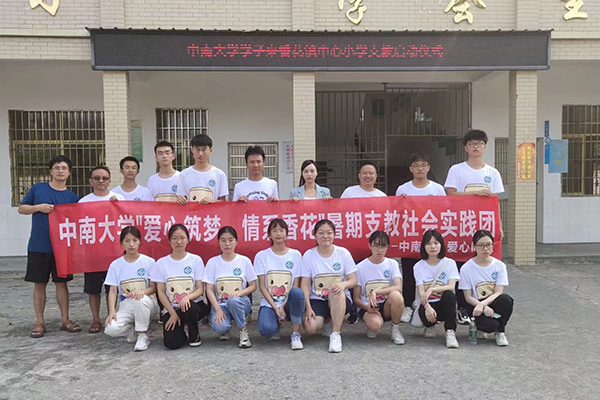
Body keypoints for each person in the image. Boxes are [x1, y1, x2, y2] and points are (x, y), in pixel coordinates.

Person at [444, 129, 505, 325]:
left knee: (481, 264)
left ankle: (483, 306)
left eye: (479, 143)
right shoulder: (456, 170)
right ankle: (462, 307)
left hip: (484, 226)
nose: (475, 147)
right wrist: (476, 193)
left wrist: (499, 225)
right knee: (460, 264)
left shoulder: (492, 173)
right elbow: (451, 195)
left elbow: (495, 203)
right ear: (466, 148)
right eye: (471, 144)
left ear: (485, 147)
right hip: (461, 224)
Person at [18, 155, 81, 338]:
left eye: (64, 168)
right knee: (39, 284)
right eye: (57, 168)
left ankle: (65, 320)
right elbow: (22, 208)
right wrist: (38, 208)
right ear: (51, 171)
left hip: (62, 248)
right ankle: (39, 322)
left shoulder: (72, 198)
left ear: (69, 173)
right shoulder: (38, 189)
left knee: (62, 284)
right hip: (39, 245)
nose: (60, 171)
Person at [396, 153, 446, 323]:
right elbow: (397, 214)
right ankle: (408, 305)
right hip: (410, 238)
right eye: (416, 165)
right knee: (409, 273)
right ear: (411, 169)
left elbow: (445, 212)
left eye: (423, 165)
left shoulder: (437, 189)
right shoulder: (402, 189)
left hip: (431, 240)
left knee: (431, 271)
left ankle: (429, 304)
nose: (420, 168)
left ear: (428, 168)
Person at [79, 166, 125, 334]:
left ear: (109, 181)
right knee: (93, 289)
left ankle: (111, 315)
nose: (101, 181)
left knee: (112, 287)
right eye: (97, 178)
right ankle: (96, 319)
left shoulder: (118, 198)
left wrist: (117, 206)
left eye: (104, 178)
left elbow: (126, 222)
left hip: (113, 253)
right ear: (90, 181)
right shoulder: (83, 202)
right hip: (92, 253)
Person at [300, 219, 357, 353]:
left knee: (336, 292)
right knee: (310, 327)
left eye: (329, 233)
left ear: (334, 234)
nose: (325, 236)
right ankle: (326, 320)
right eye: (321, 233)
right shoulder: (309, 255)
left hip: (340, 299)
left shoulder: (343, 253)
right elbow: (305, 285)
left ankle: (336, 334)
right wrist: (308, 307)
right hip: (317, 299)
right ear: (315, 235)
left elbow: (353, 280)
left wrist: (342, 285)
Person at [340, 161, 386, 323]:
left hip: (372, 246)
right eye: (364, 173)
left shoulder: (382, 196)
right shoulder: (349, 192)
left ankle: (368, 307)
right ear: (359, 176)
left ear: (376, 176)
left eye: (371, 173)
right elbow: (339, 212)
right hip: (352, 244)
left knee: (367, 277)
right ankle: (354, 311)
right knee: (352, 277)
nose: (368, 176)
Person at [151, 224, 209, 349]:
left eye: (182, 238)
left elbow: (200, 289)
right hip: (172, 307)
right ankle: (181, 331)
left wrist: (187, 297)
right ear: (169, 240)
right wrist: (172, 314)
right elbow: (161, 292)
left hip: (192, 305)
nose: (179, 242)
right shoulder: (161, 263)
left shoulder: (195, 260)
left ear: (188, 240)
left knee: (188, 308)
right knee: (171, 343)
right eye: (175, 238)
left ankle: (194, 333)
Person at [104, 226, 159, 351]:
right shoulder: (116, 265)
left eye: (134, 240)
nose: (131, 244)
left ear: (140, 241)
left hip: (147, 303)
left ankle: (142, 335)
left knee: (140, 300)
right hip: (126, 305)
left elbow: (153, 288)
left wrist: (142, 292)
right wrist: (112, 311)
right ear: (121, 243)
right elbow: (113, 291)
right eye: (127, 241)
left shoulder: (149, 262)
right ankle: (132, 331)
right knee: (110, 329)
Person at [255, 219, 305, 350]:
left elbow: (295, 285)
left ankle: (296, 334)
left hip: (288, 302)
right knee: (267, 330)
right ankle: (275, 323)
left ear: (286, 234)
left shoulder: (295, 255)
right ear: (269, 235)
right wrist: (275, 307)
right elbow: (262, 286)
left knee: (297, 293)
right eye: (274, 231)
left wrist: (282, 305)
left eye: (282, 230)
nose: (278, 234)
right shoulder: (261, 256)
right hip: (270, 303)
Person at [204, 226, 258, 348]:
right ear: (218, 242)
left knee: (233, 301)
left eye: (230, 240)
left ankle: (243, 331)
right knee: (219, 327)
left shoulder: (244, 261)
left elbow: (253, 285)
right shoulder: (212, 262)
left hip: (241, 302)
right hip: (221, 304)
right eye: (223, 240)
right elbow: (209, 290)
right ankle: (225, 329)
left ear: (236, 241)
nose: (227, 244)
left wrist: (240, 293)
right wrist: (217, 309)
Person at [459, 230, 513, 346]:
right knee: (490, 326)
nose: (485, 248)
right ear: (474, 246)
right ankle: (481, 327)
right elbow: (468, 297)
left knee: (506, 300)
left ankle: (500, 332)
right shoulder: (466, 268)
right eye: (481, 245)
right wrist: (481, 306)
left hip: (492, 302)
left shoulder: (499, 266)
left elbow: (498, 292)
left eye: (488, 245)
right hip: (475, 305)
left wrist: (484, 304)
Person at [354, 231, 405, 345]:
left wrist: (377, 291)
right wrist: (366, 307)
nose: (380, 250)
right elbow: (356, 298)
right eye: (376, 245)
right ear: (370, 245)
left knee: (397, 296)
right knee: (375, 324)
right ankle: (371, 327)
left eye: (383, 246)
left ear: (388, 247)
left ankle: (395, 330)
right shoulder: (360, 268)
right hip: (368, 306)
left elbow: (398, 287)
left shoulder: (392, 264)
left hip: (386, 305)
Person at [413, 230, 460, 348]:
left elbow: (451, 286)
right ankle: (429, 326)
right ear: (424, 246)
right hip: (428, 304)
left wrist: (432, 290)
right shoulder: (418, 266)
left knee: (449, 294)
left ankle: (450, 331)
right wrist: (427, 307)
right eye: (429, 243)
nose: (432, 246)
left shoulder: (450, 263)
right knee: (426, 314)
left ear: (441, 245)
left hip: (444, 304)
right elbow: (420, 291)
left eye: (436, 243)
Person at [176, 134, 228, 205]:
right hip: (191, 212)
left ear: (210, 151)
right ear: (192, 150)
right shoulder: (184, 174)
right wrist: (180, 199)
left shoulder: (219, 174)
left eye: (204, 150)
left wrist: (212, 202)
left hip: (212, 212)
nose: (200, 153)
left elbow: (223, 202)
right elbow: (182, 199)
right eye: (197, 149)